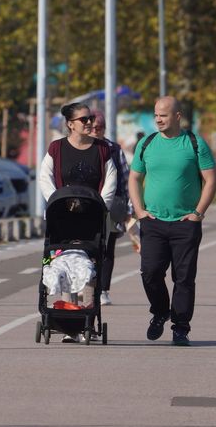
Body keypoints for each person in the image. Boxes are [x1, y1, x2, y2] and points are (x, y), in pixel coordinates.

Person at [129, 96, 216, 347]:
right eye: (156, 114)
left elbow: (211, 180)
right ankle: (160, 311)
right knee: (150, 272)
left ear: (177, 116)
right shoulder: (146, 143)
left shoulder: (194, 143)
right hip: (153, 221)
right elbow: (134, 178)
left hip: (185, 223)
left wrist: (198, 214)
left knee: (184, 277)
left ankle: (181, 327)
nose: (158, 119)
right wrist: (139, 210)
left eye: (163, 115)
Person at [37, 102, 117, 341]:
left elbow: (110, 181)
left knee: (89, 263)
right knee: (63, 260)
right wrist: (56, 202)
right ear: (70, 124)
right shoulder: (56, 149)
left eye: (90, 118)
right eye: (84, 119)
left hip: (92, 216)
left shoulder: (102, 150)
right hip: (62, 216)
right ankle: (68, 320)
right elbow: (45, 178)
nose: (90, 123)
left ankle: (87, 320)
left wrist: (100, 207)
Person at [88, 109, 131, 305]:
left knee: (107, 249)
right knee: (88, 248)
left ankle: (103, 290)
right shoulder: (82, 148)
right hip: (88, 205)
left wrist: (126, 206)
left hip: (112, 206)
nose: (96, 130)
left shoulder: (114, 149)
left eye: (100, 127)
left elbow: (125, 177)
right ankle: (87, 287)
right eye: (93, 127)